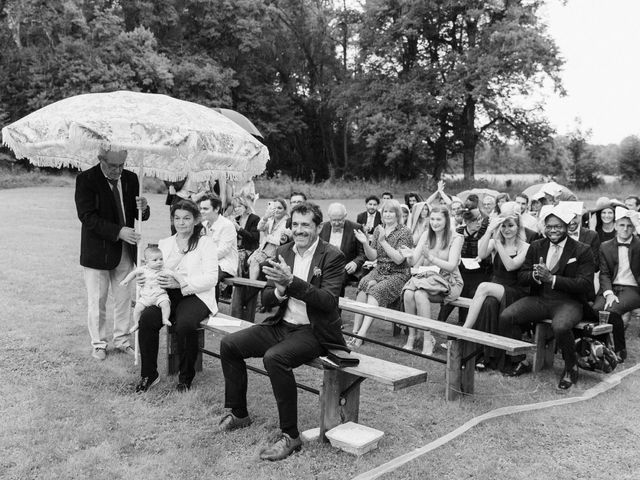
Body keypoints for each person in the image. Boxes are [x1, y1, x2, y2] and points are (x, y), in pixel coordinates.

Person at [217, 202, 347, 461]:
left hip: (313, 331)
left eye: (306, 225)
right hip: (281, 324)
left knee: (274, 358)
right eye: (295, 224)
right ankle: (240, 413)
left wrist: (291, 283)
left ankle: (291, 435)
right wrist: (278, 289)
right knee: (229, 344)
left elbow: (328, 301)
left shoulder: (332, 256)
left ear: (319, 227)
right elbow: (266, 298)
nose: (299, 230)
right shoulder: (284, 251)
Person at [499, 206, 595, 390]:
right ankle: (520, 361)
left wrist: (552, 279)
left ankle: (570, 366)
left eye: (558, 226)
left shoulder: (582, 250)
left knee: (560, 326)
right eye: (549, 226)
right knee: (507, 316)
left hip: (569, 301)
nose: (553, 230)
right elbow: (522, 276)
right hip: (541, 298)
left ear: (567, 226)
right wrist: (536, 276)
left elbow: (585, 284)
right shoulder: (537, 246)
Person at [75, 147, 150, 361]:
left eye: (122, 165)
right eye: (113, 166)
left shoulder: (132, 178)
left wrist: (143, 208)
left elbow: (140, 215)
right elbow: (87, 216)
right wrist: (118, 232)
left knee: (124, 298)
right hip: (97, 251)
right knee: (97, 300)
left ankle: (122, 340)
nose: (118, 170)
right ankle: (99, 343)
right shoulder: (86, 179)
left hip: (126, 251)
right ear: (101, 159)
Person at [136, 199, 218, 392]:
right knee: (147, 318)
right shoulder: (165, 243)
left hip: (196, 295)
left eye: (187, 218)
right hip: (166, 294)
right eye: (177, 218)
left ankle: (185, 376)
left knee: (186, 324)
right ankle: (149, 374)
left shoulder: (206, 243)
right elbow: (153, 268)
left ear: (196, 220)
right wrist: (144, 279)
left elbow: (211, 278)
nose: (181, 223)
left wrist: (181, 284)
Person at [461, 203, 530, 370]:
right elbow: (481, 254)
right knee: (488, 304)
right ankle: (485, 355)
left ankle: (464, 332)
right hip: (496, 287)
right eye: (503, 226)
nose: (507, 230)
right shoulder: (495, 240)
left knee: (484, 287)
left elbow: (511, 266)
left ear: (518, 226)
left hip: (515, 290)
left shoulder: (525, 247)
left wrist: (499, 244)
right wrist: (489, 231)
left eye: (511, 226)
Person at [349, 199, 413, 348]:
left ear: (397, 214)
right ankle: (354, 331)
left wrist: (383, 241)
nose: (388, 214)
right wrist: (365, 242)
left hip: (398, 273)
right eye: (385, 211)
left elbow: (398, 259)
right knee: (363, 284)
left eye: (391, 211)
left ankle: (361, 335)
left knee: (375, 291)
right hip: (380, 269)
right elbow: (372, 256)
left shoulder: (405, 232)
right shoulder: (379, 229)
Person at [400, 206, 463, 354]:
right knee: (409, 293)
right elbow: (413, 261)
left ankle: (428, 339)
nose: (434, 223)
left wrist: (431, 258)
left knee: (419, 293)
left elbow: (452, 265)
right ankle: (412, 335)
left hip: (450, 281)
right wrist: (409, 255)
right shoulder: (426, 235)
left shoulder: (456, 238)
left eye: (438, 219)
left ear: (447, 220)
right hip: (428, 278)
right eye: (432, 219)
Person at [590, 207, 640, 362]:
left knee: (612, 310)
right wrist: (608, 293)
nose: (625, 229)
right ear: (616, 225)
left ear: (634, 228)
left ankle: (620, 349)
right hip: (610, 287)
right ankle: (605, 346)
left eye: (629, 226)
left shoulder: (639, 245)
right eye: (622, 225)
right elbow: (604, 273)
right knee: (596, 310)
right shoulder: (605, 246)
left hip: (632, 289)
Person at [438, 202, 492, 325]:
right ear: (467, 222)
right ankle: (438, 323)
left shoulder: (483, 233)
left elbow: (488, 219)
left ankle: (463, 324)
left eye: (479, 220)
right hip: (461, 271)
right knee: (452, 292)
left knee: (468, 292)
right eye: (475, 221)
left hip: (479, 273)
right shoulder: (458, 232)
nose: (479, 223)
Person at [120, 246, 172, 333]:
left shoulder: (164, 270)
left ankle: (165, 318)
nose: (159, 262)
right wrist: (126, 280)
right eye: (155, 260)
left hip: (159, 296)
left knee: (165, 304)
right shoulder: (143, 269)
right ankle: (136, 323)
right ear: (146, 262)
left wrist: (181, 282)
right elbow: (133, 273)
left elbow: (174, 275)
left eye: (161, 259)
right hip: (145, 297)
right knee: (137, 308)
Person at [319, 203, 366, 293]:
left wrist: (355, 263)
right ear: (329, 217)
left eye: (340, 220)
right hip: (324, 266)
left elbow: (363, 254)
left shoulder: (356, 228)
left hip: (345, 267)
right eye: (333, 220)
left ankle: (334, 304)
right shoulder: (322, 228)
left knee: (336, 281)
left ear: (345, 216)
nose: (336, 223)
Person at [199, 193, 238, 298]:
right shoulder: (203, 225)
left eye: (205, 209)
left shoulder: (227, 225)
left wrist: (203, 258)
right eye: (201, 208)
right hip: (207, 262)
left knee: (210, 276)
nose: (202, 211)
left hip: (225, 264)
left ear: (216, 209)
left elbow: (223, 251)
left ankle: (212, 309)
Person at [248, 199, 289, 280]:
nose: (276, 210)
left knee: (254, 262)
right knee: (249, 261)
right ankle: (251, 286)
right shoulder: (270, 220)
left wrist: (268, 237)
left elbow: (280, 241)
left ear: (285, 210)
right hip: (263, 249)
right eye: (275, 208)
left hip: (275, 252)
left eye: (280, 208)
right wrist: (265, 217)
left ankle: (251, 286)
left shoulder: (286, 223)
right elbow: (259, 227)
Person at [228, 195, 260, 277]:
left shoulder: (254, 219)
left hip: (249, 250)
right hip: (236, 251)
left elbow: (253, 238)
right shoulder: (236, 219)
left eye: (239, 206)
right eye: (235, 207)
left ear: (245, 206)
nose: (237, 209)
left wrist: (238, 228)